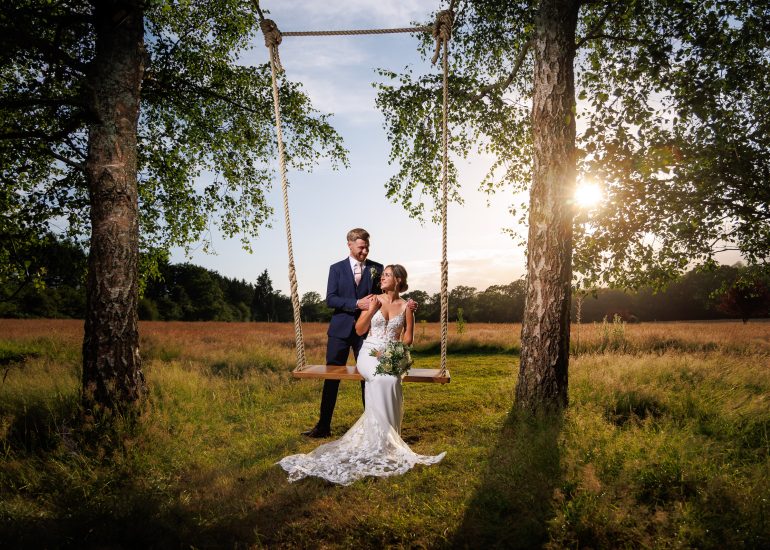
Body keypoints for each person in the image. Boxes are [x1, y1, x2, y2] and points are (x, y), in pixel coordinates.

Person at [279, 265, 445, 485]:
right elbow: (359, 330)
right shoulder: (373, 299)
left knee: (392, 379)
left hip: (391, 352)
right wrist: (371, 309)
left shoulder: (407, 306)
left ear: (398, 279)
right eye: (383, 275)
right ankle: (379, 439)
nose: (382, 278)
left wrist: (394, 351)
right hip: (370, 352)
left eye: (386, 275)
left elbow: (408, 339)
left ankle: (388, 439)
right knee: (379, 377)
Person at [302, 228, 414, 438]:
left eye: (367, 247)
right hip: (340, 330)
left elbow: (390, 294)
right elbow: (331, 299)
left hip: (368, 333)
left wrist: (409, 305)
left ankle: (373, 426)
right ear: (350, 245)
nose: (365, 251)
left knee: (369, 376)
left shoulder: (377, 268)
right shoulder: (336, 269)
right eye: (361, 247)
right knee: (332, 377)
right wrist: (356, 303)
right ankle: (323, 425)